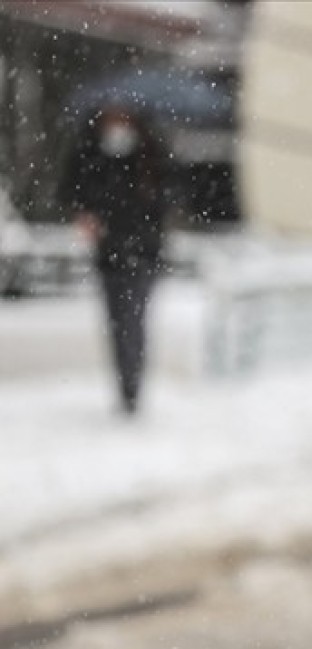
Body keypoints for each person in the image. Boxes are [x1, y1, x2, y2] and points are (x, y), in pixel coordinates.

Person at [60, 103, 171, 416]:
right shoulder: (91, 154)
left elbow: (167, 198)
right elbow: (73, 192)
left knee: (132, 319)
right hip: (109, 254)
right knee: (118, 321)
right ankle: (127, 383)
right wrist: (86, 215)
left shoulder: (151, 154)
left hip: (144, 253)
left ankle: (132, 385)